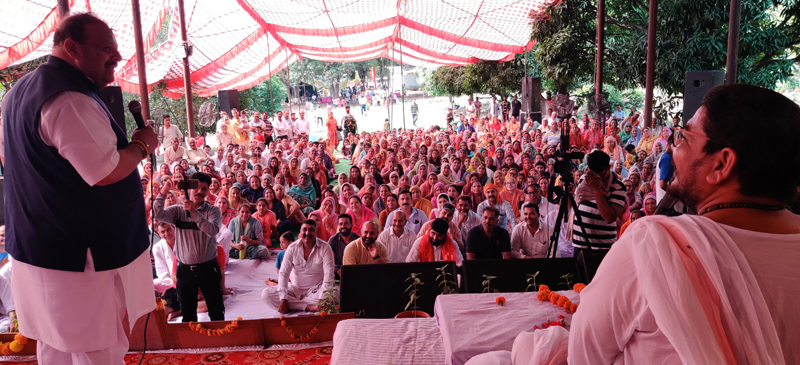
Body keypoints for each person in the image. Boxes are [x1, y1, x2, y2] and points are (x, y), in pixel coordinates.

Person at [570, 84, 800, 364]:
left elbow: (582, 354)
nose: (672, 149)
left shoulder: (652, 248)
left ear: (721, 164)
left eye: (684, 137)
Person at [2, 13, 158, 364]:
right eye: (106, 49)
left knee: (56, 345)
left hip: (39, 248)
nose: (116, 58)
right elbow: (104, 171)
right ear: (71, 47)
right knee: (96, 347)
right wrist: (142, 146)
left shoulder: (16, 93)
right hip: (79, 257)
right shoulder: (68, 98)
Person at [154, 173, 224, 323]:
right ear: (189, 188)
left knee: (216, 311)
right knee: (188, 315)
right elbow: (157, 214)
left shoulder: (213, 211)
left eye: (204, 189)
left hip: (208, 268)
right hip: (185, 270)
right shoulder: (177, 211)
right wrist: (164, 191)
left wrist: (194, 213)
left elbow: (212, 230)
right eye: (196, 187)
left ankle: (220, 343)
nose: (200, 191)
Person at [262, 220, 335, 314]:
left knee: (337, 294)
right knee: (266, 294)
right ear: (300, 232)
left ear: (316, 232)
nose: (307, 233)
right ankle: (308, 307)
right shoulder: (292, 248)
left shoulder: (325, 248)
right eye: (304, 230)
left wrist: (322, 298)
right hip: (294, 290)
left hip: (317, 291)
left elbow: (329, 275)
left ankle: (294, 305)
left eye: (311, 230)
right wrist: (283, 298)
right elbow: (283, 273)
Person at [571, 151, 626, 256]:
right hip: (579, 244)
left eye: (600, 173)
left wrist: (597, 190)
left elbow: (609, 217)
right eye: (593, 172)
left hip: (603, 246)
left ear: (609, 167)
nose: (596, 176)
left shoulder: (618, 187)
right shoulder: (584, 179)